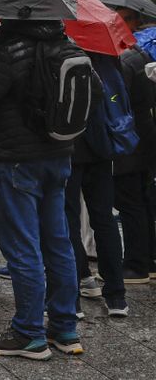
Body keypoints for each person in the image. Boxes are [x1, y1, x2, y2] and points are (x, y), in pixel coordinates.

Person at [0, 19, 85, 360]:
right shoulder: (68, 46)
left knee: (22, 246)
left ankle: (29, 332)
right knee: (58, 242)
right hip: (59, 156)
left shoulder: (4, 49)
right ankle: (64, 327)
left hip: (16, 160)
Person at [62, 52, 128, 317]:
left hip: (69, 147)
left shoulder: (65, 57)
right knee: (104, 220)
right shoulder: (106, 59)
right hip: (101, 147)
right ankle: (117, 297)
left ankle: (74, 295)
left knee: (68, 221)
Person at [113, 8, 156, 284]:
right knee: (142, 202)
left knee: (130, 203)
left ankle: (136, 264)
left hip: (129, 142)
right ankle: (149, 259)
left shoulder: (126, 60)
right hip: (145, 139)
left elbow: (117, 102)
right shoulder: (141, 56)